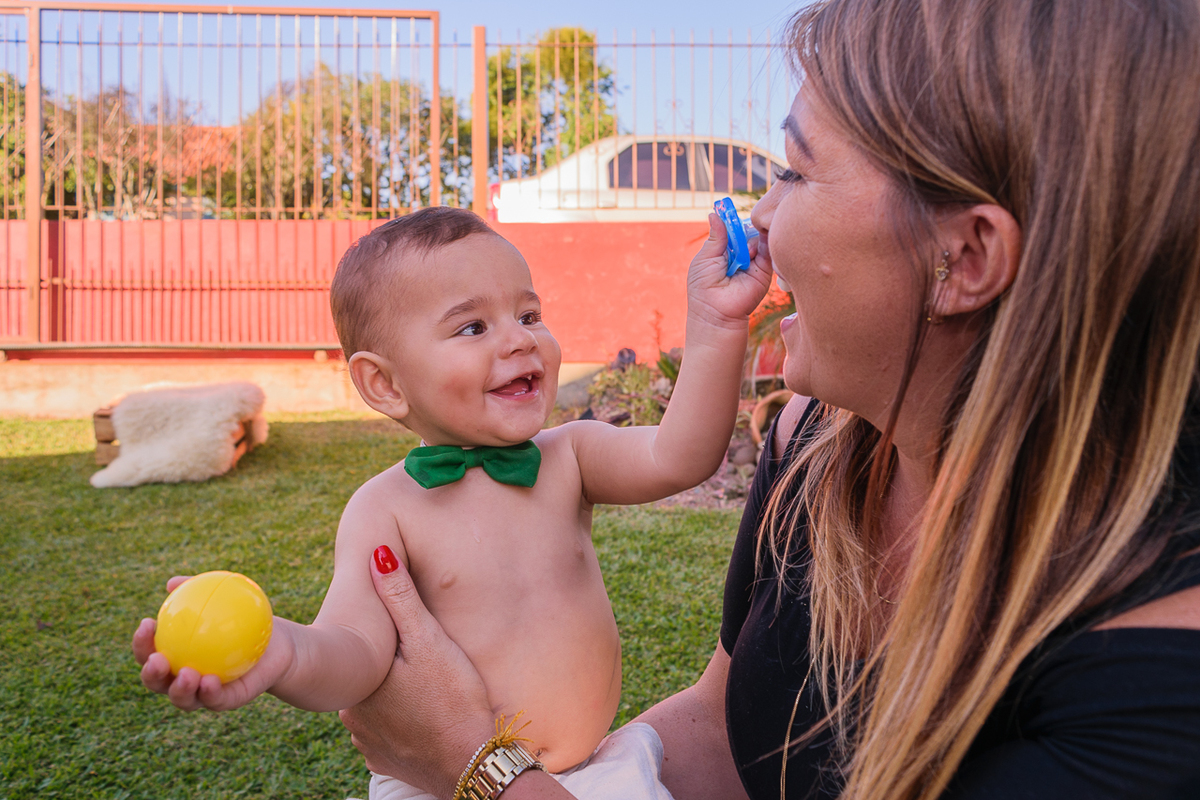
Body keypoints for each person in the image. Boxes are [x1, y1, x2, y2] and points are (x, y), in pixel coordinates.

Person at [334, 1, 1200, 799]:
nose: (760, 215)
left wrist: (479, 765)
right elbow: (724, 730)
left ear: (965, 260)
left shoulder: (1157, 694)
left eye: (793, 170)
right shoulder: (819, 443)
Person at [131, 206, 770, 800]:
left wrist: (716, 323)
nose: (520, 341)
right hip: (437, 785)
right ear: (384, 383)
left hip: (596, 770)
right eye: (472, 326)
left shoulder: (568, 458)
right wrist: (283, 654)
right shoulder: (387, 510)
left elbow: (682, 455)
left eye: (528, 315)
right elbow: (357, 650)